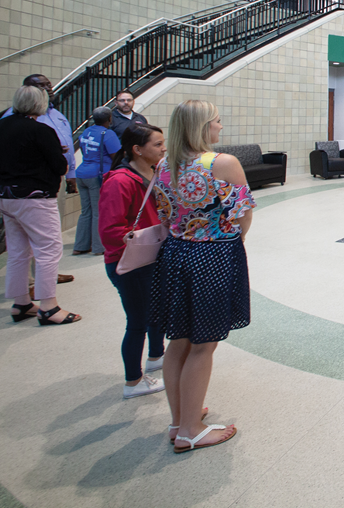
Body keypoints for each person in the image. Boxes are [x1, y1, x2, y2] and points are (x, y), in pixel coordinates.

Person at [151, 100, 254, 453]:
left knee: (178, 340)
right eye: (217, 121)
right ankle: (192, 430)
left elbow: (165, 214)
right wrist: (228, 241)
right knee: (203, 344)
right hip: (214, 254)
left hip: (175, 253)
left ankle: (180, 419)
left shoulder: (164, 165)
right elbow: (242, 213)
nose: (220, 128)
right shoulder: (222, 164)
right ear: (202, 126)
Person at [0, 85, 81, 326]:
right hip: (33, 198)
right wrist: (58, 153)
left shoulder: (1, 126)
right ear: (40, 104)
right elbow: (59, 166)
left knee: (19, 251)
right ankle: (49, 307)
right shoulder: (40, 130)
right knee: (48, 249)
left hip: (4, 195)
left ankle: (21, 303)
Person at [99, 123, 169, 400]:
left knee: (156, 312)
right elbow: (110, 231)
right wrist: (143, 239)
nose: (164, 149)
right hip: (129, 262)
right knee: (138, 321)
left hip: (150, 256)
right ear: (137, 150)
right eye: (158, 144)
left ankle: (155, 356)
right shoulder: (120, 181)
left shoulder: (153, 172)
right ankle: (133, 380)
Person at [3, 74, 77, 195]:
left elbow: (68, 143)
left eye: (48, 85)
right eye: (41, 86)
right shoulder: (13, 118)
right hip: (30, 183)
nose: (48, 88)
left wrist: (71, 174)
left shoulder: (57, 115)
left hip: (55, 178)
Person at [73, 107, 121, 256]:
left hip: (82, 174)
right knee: (98, 211)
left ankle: (80, 246)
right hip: (97, 176)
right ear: (109, 119)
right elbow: (116, 156)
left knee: (85, 211)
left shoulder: (86, 131)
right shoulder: (108, 134)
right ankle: (99, 247)